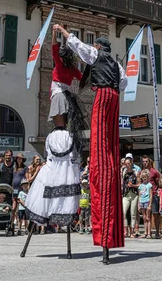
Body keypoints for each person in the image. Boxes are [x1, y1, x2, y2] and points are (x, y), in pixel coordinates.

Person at [54, 25, 127, 262]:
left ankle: (99, 162)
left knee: (98, 141)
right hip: (115, 98)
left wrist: (63, 31)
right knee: (109, 143)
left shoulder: (97, 54)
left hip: (104, 96)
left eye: (95, 45)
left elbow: (80, 47)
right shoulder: (117, 65)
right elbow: (123, 83)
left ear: (99, 46)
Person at [49, 26, 83, 130]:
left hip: (58, 94)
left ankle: (60, 142)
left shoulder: (59, 64)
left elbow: (54, 49)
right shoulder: (73, 69)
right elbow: (83, 79)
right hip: (68, 97)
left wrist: (54, 33)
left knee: (59, 127)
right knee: (66, 125)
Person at [141, 155, 161, 239]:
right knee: (146, 215)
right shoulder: (142, 172)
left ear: (150, 162)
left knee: (156, 214)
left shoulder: (154, 171)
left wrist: (159, 189)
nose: (145, 163)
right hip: (145, 196)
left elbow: (158, 181)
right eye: (144, 162)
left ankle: (157, 232)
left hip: (154, 194)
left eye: (146, 161)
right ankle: (147, 232)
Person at [122, 158, 138, 238]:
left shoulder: (136, 172)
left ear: (132, 163)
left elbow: (140, 184)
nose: (127, 165)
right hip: (126, 194)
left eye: (129, 163)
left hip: (134, 194)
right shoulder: (124, 172)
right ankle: (126, 231)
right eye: (126, 164)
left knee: (133, 214)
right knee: (123, 212)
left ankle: (132, 232)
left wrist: (133, 186)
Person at [12, 154, 27, 223]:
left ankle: (23, 219)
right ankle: (15, 218)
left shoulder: (25, 168)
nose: (19, 160)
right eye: (18, 158)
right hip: (14, 188)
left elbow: (26, 178)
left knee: (21, 203)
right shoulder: (14, 168)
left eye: (21, 158)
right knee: (14, 203)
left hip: (21, 187)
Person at [138, 170, 152, 239]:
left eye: (145, 177)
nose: (144, 178)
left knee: (148, 217)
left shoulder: (149, 185)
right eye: (143, 177)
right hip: (142, 202)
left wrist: (150, 205)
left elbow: (151, 195)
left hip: (147, 201)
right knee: (144, 218)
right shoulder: (140, 186)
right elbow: (140, 195)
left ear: (148, 177)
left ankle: (149, 233)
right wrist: (139, 204)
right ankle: (145, 232)